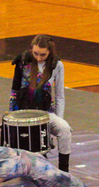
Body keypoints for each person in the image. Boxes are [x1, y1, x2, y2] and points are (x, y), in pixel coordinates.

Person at [10, 34, 71, 171]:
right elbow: (14, 91)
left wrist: (58, 120)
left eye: (42, 55)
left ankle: (64, 170)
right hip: (24, 113)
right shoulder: (23, 61)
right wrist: (12, 115)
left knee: (65, 129)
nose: (38, 58)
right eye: (35, 53)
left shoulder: (57, 65)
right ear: (31, 49)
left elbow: (60, 96)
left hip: (46, 113)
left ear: (49, 52)